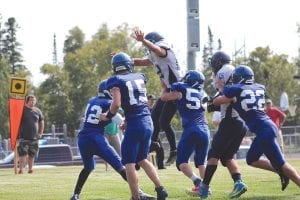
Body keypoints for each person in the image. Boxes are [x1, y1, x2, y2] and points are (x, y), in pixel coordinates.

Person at [213, 65, 300, 192]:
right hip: (266, 128)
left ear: (240, 78)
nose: (234, 80)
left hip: (265, 130)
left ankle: (287, 175)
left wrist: (220, 89)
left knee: (281, 164)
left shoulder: (237, 89)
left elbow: (218, 100)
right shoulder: (259, 87)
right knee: (252, 159)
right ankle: (281, 172)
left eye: (235, 77)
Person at [70, 80, 154, 200]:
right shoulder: (108, 102)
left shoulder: (92, 100)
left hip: (83, 139)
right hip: (96, 138)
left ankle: (75, 194)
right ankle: (139, 193)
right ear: (107, 91)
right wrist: (126, 123)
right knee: (120, 165)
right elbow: (117, 117)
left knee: (88, 167)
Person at [101, 52, 168, 200]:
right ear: (128, 65)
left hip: (135, 123)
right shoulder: (140, 77)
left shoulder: (115, 80)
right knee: (142, 159)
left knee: (129, 162)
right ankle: (160, 189)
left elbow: (117, 103)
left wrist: (108, 116)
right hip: (147, 121)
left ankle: (135, 196)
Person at [195, 51, 248, 199]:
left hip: (230, 121)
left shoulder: (223, 72)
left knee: (213, 155)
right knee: (227, 157)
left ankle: (204, 188)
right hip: (240, 122)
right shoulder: (235, 71)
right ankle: (239, 183)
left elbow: (228, 97)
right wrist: (215, 102)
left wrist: (213, 102)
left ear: (218, 62)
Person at [133, 30, 182, 165]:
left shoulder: (164, 51)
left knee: (164, 122)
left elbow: (157, 49)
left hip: (177, 88)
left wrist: (143, 40)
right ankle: (154, 143)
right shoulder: (155, 54)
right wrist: (124, 59)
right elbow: (142, 62)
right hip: (169, 89)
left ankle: (174, 151)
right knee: (154, 117)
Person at [160, 70, 210, 196]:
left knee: (181, 163)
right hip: (205, 129)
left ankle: (197, 182)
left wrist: (165, 87)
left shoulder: (182, 89)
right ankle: (205, 188)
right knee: (201, 163)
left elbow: (164, 97)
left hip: (191, 129)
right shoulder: (202, 92)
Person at [17, 94, 44, 174]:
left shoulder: (38, 111)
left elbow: (41, 122)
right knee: (22, 154)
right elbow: (16, 121)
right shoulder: (22, 110)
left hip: (34, 137)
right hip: (23, 137)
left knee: (32, 154)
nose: (33, 102)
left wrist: (40, 133)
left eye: (34, 100)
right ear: (27, 101)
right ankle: (21, 169)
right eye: (31, 100)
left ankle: (30, 169)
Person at [147, 94, 165, 170]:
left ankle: (160, 166)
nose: (152, 102)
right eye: (151, 100)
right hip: (147, 133)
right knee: (146, 149)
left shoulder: (155, 110)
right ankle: (137, 163)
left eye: (153, 101)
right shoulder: (144, 110)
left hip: (155, 133)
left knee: (160, 149)